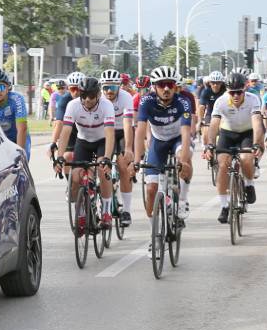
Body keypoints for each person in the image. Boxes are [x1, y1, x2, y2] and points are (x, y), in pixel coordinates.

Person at [134, 66, 194, 224]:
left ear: (175, 86)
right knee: (151, 190)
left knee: (184, 157)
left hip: (178, 139)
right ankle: (153, 232)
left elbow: (186, 132)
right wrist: (135, 160)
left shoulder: (183, 102)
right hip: (158, 141)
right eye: (161, 85)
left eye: (170, 84)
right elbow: (140, 131)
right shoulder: (146, 101)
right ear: (154, 87)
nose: (166, 88)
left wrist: (185, 161)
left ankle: (182, 200)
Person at [55, 77, 116, 230]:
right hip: (83, 142)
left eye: (91, 96)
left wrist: (107, 158)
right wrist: (60, 156)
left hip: (102, 141)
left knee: (103, 171)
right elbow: (66, 131)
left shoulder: (106, 105)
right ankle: (81, 213)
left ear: (98, 95)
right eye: (84, 96)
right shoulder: (73, 105)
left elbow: (109, 133)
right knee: (75, 176)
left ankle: (106, 211)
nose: (87, 100)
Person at [203, 72, 264, 224]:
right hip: (228, 133)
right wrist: (210, 144)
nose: (236, 96)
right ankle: (224, 206)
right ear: (227, 91)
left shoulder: (253, 99)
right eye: (232, 92)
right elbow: (214, 124)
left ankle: (249, 184)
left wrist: (256, 143)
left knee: (246, 158)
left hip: (247, 133)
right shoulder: (221, 101)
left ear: (245, 90)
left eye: (239, 92)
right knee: (222, 165)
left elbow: (257, 123)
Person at [100, 69, 137, 227]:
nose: (109, 91)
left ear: (119, 87)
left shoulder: (126, 97)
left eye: (113, 88)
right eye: (106, 87)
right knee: (102, 167)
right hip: (104, 132)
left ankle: (126, 210)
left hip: (122, 131)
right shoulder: (99, 97)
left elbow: (128, 124)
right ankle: (104, 206)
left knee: (123, 166)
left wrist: (128, 148)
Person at [0, 69, 30, 156]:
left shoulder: (17, 99)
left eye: (1, 87)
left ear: (8, 88)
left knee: (19, 162)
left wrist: (19, 155)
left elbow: (22, 129)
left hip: (18, 138)